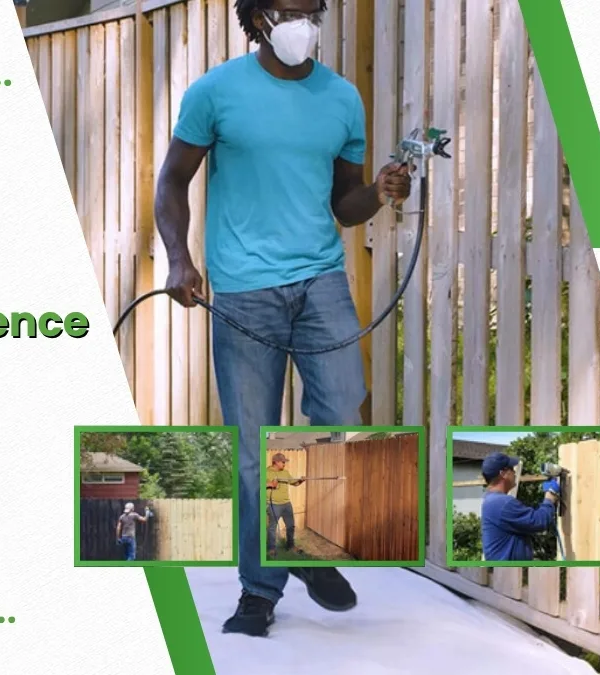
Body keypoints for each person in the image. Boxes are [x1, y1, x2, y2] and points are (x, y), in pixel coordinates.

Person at [153, 0, 412, 638]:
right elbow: (172, 181)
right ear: (258, 18)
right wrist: (180, 258)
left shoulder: (341, 98)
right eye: (287, 10)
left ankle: (301, 543)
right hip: (245, 288)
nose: (302, 22)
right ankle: (259, 591)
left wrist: (379, 192)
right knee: (253, 447)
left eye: (310, 10)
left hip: (321, 280)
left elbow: (344, 205)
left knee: (341, 415)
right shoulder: (216, 92)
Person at [479, 452, 561, 562]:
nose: (514, 472)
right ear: (503, 473)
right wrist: (549, 498)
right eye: (512, 469)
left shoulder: (492, 500)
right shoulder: (502, 503)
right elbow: (539, 521)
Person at [265, 453, 306, 557]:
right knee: (272, 527)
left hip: (286, 504)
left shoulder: (285, 473)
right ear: (276, 462)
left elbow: (294, 483)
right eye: (283, 462)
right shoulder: (266, 472)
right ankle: (271, 549)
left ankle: (290, 546)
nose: (284, 464)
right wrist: (270, 484)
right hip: (274, 504)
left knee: (291, 526)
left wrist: (300, 480)